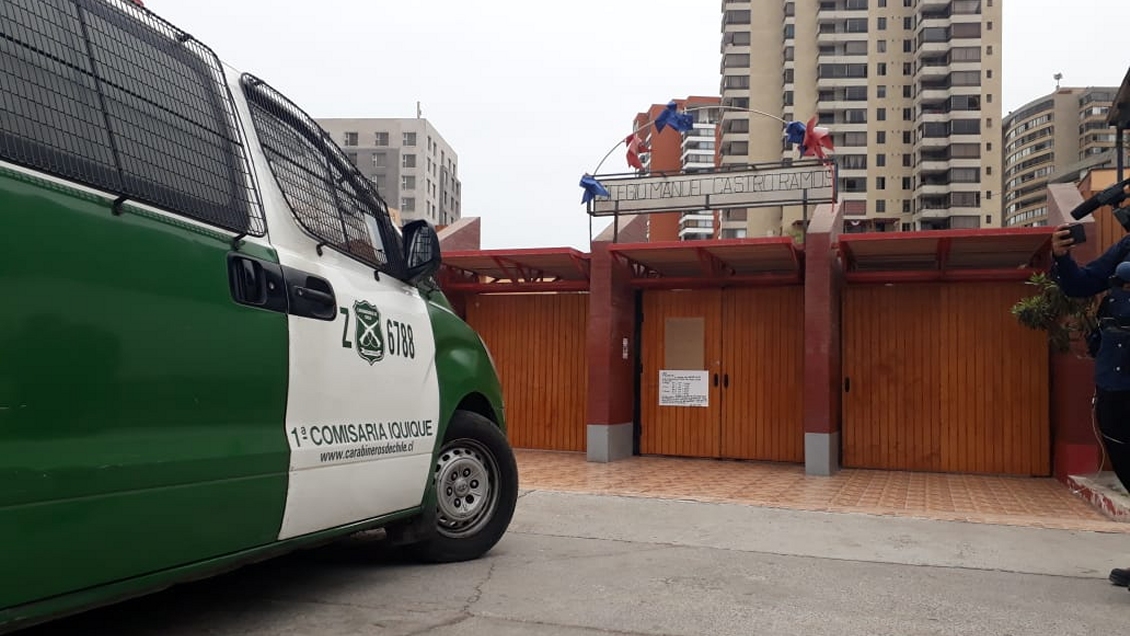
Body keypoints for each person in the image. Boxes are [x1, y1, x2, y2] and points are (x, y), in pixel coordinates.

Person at [1049, 224, 1130, 588]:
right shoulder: (1125, 246)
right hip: (1115, 379)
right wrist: (1062, 257)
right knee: (1125, 465)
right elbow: (1081, 284)